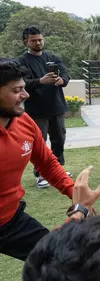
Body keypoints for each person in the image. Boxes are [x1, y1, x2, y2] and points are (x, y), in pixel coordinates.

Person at [0, 60, 74, 261]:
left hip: (10, 220)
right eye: (17, 90)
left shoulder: (24, 121)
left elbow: (47, 162)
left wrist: (74, 192)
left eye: (24, 88)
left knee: (59, 260)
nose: (25, 95)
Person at [17, 26, 71, 188]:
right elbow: (21, 83)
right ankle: (40, 174)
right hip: (37, 110)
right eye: (34, 40)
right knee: (40, 143)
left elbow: (66, 73)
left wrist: (63, 80)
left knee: (59, 139)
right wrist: (40, 81)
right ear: (26, 41)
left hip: (57, 106)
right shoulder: (21, 61)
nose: (38, 43)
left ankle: (58, 169)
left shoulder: (52, 57)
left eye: (40, 39)